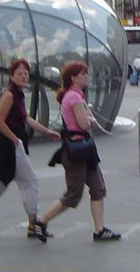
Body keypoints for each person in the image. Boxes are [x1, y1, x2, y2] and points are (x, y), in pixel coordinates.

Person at [0, 59, 60, 241]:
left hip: (12, 146)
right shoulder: (9, 95)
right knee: (30, 182)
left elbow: (26, 118)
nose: (24, 76)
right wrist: (15, 139)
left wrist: (47, 131)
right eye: (20, 73)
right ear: (12, 76)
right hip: (11, 147)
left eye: (26, 73)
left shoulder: (18, 95)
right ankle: (33, 225)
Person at [37, 62, 121, 242]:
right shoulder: (73, 98)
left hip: (85, 148)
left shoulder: (77, 96)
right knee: (74, 193)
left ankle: (99, 229)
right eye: (83, 74)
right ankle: (41, 221)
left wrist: (88, 117)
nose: (86, 76)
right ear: (73, 77)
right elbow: (84, 124)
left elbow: (87, 119)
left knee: (97, 188)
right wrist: (90, 119)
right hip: (76, 149)